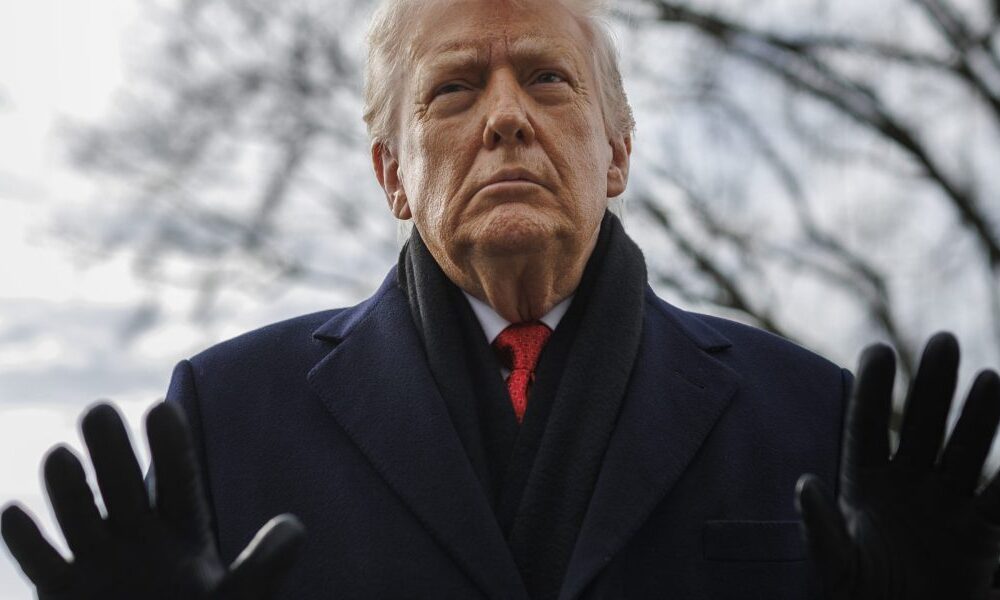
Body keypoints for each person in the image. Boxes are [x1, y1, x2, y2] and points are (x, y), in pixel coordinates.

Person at [4, 0, 1000, 598]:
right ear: (392, 175)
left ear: (617, 152)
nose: (507, 118)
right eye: (454, 90)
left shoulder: (810, 415)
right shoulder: (230, 417)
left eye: (547, 79)